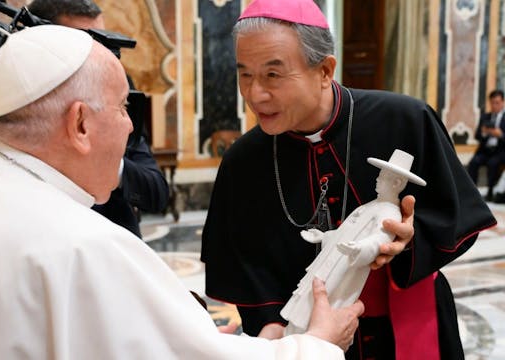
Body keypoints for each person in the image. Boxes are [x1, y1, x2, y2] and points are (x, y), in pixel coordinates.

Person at [0, 25, 365, 358]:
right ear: (79, 124)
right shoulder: (80, 245)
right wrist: (316, 345)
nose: (131, 125)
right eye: (121, 108)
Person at [200, 0, 496, 359]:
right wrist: (274, 326)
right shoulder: (241, 163)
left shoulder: (405, 120)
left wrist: (409, 241)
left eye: (272, 75)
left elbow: (457, 219)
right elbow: (244, 271)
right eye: (245, 74)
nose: (254, 94)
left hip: (402, 333)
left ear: (325, 71)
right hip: (305, 341)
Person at [0, 0, 170, 238]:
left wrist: (106, 156)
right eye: (85, 43)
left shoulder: (117, 87)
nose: (98, 56)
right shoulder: (8, 97)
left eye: (102, 41)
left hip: (114, 238)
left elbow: (156, 191)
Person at [280, 150, 426, 335]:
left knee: (320, 308)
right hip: (332, 262)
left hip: (344, 268)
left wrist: (361, 248)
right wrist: (324, 237)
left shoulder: (390, 212)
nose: (377, 180)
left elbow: (381, 238)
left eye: (382, 177)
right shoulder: (372, 205)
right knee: (305, 307)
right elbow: (346, 233)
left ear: (397, 183)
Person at [466, 89, 505, 201]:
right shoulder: (485, 117)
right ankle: (472, 192)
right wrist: (484, 132)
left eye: (497, 103)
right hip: (485, 150)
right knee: (473, 162)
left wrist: (500, 135)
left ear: (503, 102)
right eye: (492, 102)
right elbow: (477, 135)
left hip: (500, 151)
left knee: (493, 163)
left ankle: (490, 192)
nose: (494, 105)